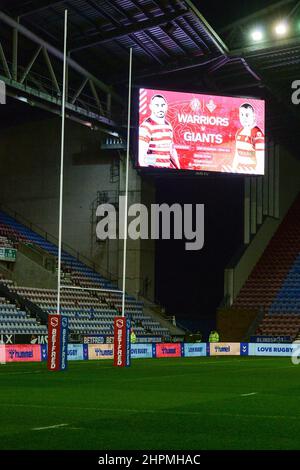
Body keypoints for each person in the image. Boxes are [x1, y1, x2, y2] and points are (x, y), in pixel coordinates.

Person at [139, 94, 180, 169]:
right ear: (151, 107)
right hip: (154, 174)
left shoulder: (168, 125)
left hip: (167, 173)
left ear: (166, 106)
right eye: (157, 105)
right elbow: (141, 156)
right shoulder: (146, 127)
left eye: (162, 105)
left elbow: (171, 150)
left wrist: (179, 169)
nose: (160, 108)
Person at [232, 103, 265, 174]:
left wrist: (255, 174)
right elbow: (236, 155)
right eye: (242, 115)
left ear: (253, 116)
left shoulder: (257, 133)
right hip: (239, 171)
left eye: (247, 115)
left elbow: (261, 160)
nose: (244, 118)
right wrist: (232, 171)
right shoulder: (239, 132)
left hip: (251, 172)